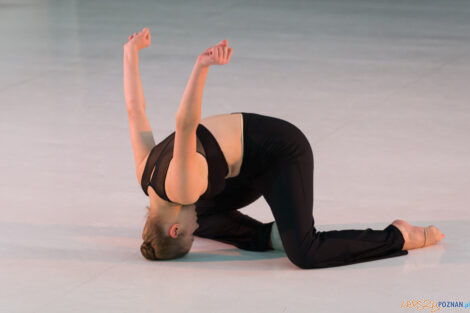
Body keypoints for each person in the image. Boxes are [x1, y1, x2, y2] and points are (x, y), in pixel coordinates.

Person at [123, 28, 445, 269]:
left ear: (174, 229)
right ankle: (272, 236)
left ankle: (400, 235)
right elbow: (135, 109)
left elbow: (185, 123)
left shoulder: (182, 187)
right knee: (203, 215)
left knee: (305, 253)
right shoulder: (144, 176)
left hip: (281, 152)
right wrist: (131, 52)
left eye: (188, 235)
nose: (193, 232)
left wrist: (201, 67)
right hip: (246, 160)